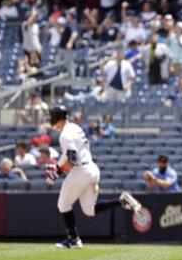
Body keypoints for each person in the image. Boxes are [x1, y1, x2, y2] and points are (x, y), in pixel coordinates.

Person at [45, 105, 143, 249]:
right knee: (89, 210)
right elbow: (70, 155)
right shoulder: (74, 127)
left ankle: (74, 240)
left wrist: (55, 173)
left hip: (81, 171)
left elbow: (72, 159)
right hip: (91, 168)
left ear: (56, 118)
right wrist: (58, 167)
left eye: (52, 115)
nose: (51, 118)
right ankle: (121, 201)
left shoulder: (65, 134)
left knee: (63, 205)